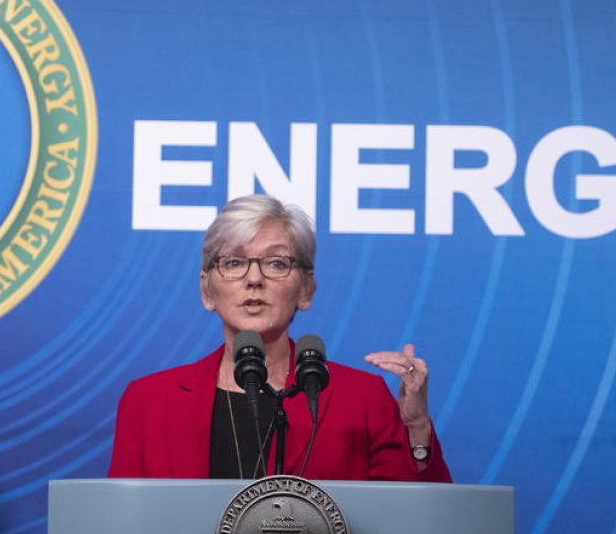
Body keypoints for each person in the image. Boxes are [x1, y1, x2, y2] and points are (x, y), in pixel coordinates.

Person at [108, 194, 452, 482]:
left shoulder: (363, 399)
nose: (254, 279)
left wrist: (417, 426)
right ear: (206, 290)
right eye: (233, 262)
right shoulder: (149, 402)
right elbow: (121, 526)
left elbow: (419, 524)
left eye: (275, 263)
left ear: (306, 289)